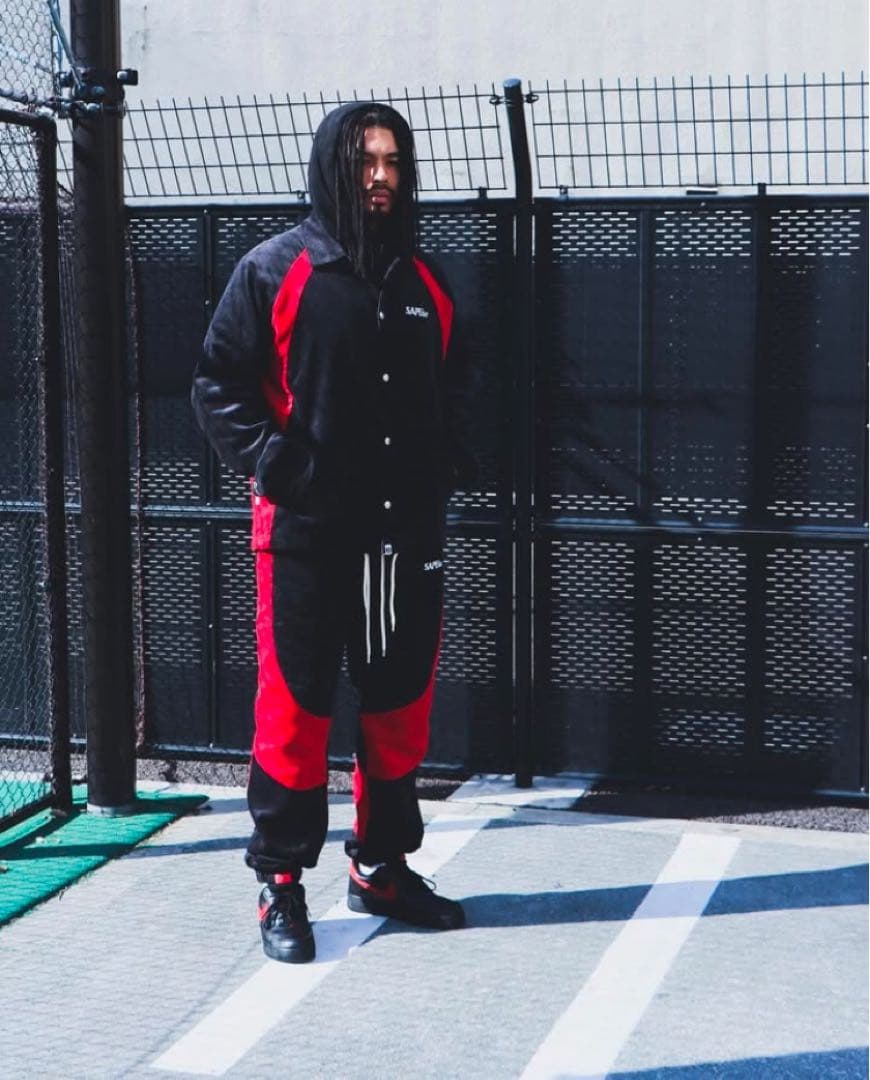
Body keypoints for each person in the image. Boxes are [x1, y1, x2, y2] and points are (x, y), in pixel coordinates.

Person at [191, 102, 475, 964]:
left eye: (393, 162)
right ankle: (280, 881)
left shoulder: (426, 285)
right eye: (365, 162)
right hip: (307, 540)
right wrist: (280, 467)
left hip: (403, 543)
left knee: (398, 710)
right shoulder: (276, 270)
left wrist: (441, 472)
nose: (381, 177)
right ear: (334, 168)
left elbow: (454, 393)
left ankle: (380, 866)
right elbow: (216, 383)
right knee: (296, 711)